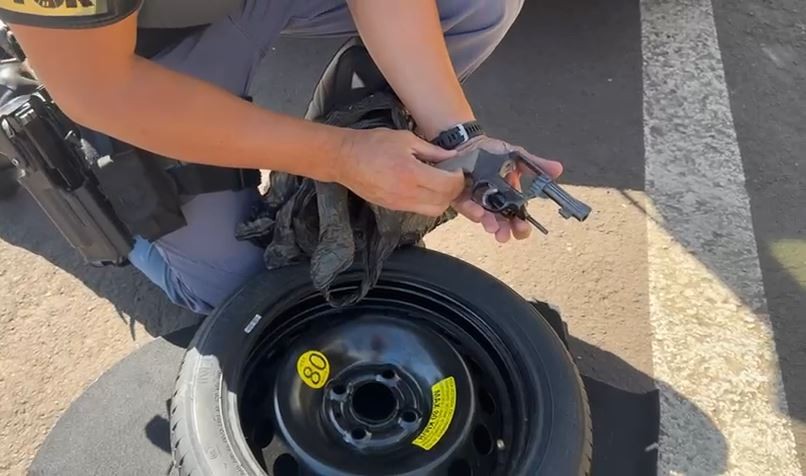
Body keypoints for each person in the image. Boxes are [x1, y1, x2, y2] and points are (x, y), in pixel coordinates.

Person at [0, 0, 563, 315]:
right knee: (236, 290)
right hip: (128, 47)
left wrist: (457, 138)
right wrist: (341, 155)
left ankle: (340, 183)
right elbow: (104, 88)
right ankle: (21, 89)